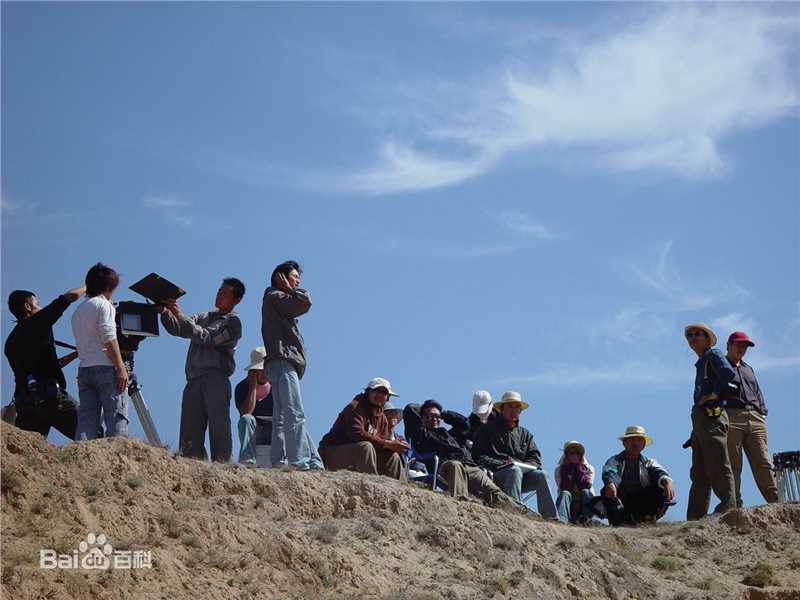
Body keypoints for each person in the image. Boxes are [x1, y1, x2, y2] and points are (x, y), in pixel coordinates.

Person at [159, 278, 244, 462]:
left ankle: (223, 468)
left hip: (215, 379)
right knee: (189, 432)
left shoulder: (233, 322)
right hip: (194, 378)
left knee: (219, 428)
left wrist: (179, 314)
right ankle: (190, 468)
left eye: (225, 294)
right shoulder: (205, 316)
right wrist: (165, 312)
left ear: (236, 300)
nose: (219, 296)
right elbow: (180, 329)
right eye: (219, 291)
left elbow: (206, 336)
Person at [261, 260, 323, 470]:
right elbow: (304, 303)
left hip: (277, 360)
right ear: (281, 278)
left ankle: (280, 460)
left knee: (280, 414)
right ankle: (300, 460)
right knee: (294, 411)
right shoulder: (276, 296)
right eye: (294, 277)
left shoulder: (273, 298)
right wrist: (289, 289)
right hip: (284, 360)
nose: (297, 282)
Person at [4, 284, 85, 439]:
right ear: (28, 306)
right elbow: (68, 298)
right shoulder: (37, 322)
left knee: (30, 447)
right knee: (89, 431)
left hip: (24, 403)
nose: (40, 307)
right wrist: (89, 285)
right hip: (49, 396)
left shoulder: (10, 342)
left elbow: (46, 367)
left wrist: (75, 354)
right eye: (37, 303)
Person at [404, 399, 511, 507]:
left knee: (494, 491)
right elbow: (409, 409)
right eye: (429, 416)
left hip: (468, 466)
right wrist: (426, 409)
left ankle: (516, 509)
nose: (434, 419)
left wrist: (444, 413)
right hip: (445, 467)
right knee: (455, 465)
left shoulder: (449, 434)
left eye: (437, 416)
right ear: (421, 418)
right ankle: (462, 503)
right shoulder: (421, 433)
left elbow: (465, 424)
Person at [472, 391, 558, 519]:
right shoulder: (486, 430)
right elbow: (478, 456)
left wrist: (524, 465)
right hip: (495, 476)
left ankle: (551, 518)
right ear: (502, 409)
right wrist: (502, 464)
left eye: (517, 407)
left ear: (520, 411)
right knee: (514, 470)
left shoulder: (525, 434)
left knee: (542, 475)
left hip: (521, 477)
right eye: (510, 406)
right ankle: (515, 513)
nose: (514, 410)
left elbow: (535, 458)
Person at [71, 263, 129, 440]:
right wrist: (120, 367)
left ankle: (81, 452)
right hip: (106, 368)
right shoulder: (104, 305)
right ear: (108, 288)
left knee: (86, 419)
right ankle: (118, 453)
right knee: (116, 417)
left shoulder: (79, 310)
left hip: (85, 370)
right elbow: (108, 337)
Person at [684, 322, 736, 520]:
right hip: (702, 419)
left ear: (707, 339)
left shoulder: (713, 354)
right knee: (699, 471)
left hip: (712, 416)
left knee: (718, 463)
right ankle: (695, 517)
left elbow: (728, 373)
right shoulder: (702, 362)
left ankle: (728, 507)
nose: (692, 338)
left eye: (697, 334)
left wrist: (714, 393)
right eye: (689, 335)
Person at [723, 331, 779, 506]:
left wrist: (761, 412)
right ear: (728, 345)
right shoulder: (720, 366)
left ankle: (776, 501)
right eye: (739, 344)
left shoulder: (748, 368)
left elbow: (757, 392)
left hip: (755, 417)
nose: (742, 348)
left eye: (745, 346)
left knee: (763, 461)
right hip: (732, 415)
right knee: (733, 463)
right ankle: (734, 505)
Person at [318, 378, 408, 480]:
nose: (380, 396)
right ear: (368, 392)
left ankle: (401, 487)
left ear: (388, 397)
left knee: (393, 456)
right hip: (331, 455)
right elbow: (356, 433)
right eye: (376, 391)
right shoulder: (355, 407)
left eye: (384, 393)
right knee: (366, 447)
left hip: (358, 457)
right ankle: (372, 483)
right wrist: (388, 443)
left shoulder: (382, 418)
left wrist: (397, 445)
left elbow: (383, 442)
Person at [601, 426, 675, 526]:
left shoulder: (648, 462)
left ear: (643, 445)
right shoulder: (615, 460)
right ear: (624, 443)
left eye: (639, 440)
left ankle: (648, 520)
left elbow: (658, 471)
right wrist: (610, 483)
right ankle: (617, 523)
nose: (635, 443)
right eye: (632, 439)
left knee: (661, 488)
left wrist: (666, 481)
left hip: (641, 502)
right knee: (606, 490)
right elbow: (610, 471)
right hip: (621, 502)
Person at [235, 346, 273, 467]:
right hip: (255, 433)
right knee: (246, 419)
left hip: (273, 432)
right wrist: (253, 387)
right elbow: (246, 413)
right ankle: (248, 460)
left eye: (266, 369)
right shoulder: (242, 387)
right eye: (260, 369)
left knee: (297, 421)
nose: (264, 373)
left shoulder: (275, 387)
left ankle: (311, 462)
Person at [554, 441, 596, 524]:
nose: (575, 455)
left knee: (585, 492)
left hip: (584, 501)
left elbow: (588, 485)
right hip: (568, 502)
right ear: (566, 455)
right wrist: (569, 471)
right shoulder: (559, 470)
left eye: (577, 453)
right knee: (565, 493)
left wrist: (579, 470)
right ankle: (562, 520)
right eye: (571, 453)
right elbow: (562, 487)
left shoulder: (589, 469)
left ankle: (588, 520)